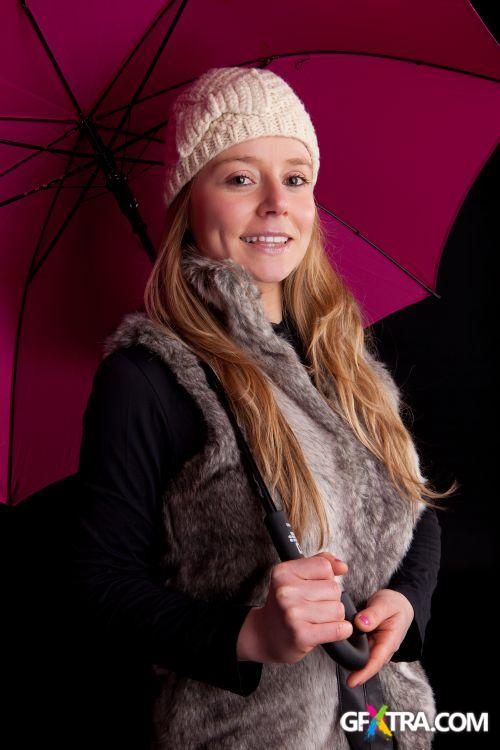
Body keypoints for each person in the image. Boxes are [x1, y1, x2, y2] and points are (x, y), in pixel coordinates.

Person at [72, 66, 455, 749]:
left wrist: (405, 603)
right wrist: (249, 634)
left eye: (297, 177)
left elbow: (411, 507)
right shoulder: (150, 378)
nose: (277, 203)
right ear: (193, 201)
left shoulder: (343, 358)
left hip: (382, 722)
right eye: (241, 177)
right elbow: (101, 588)